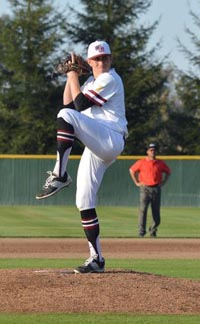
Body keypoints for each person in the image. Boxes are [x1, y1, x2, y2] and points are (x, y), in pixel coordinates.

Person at [36, 40, 128, 273]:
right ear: (90, 62)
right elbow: (69, 102)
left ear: (110, 59)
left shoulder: (109, 79)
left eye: (105, 57)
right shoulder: (91, 82)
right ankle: (96, 258)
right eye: (97, 58)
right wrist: (71, 75)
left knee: (65, 115)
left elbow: (78, 104)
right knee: (84, 201)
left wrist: (74, 72)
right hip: (98, 143)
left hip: (110, 137)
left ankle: (60, 174)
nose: (101, 61)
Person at [129, 143, 171, 238]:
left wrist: (163, 182)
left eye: (154, 150)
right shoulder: (141, 162)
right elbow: (131, 170)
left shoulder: (160, 163)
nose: (153, 151)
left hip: (156, 188)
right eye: (151, 150)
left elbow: (168, 172)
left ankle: (153, 230)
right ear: (147, 151)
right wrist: (137, 182)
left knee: (156, 211)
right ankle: (141, 232)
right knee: (143, 210)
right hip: (145, 189)